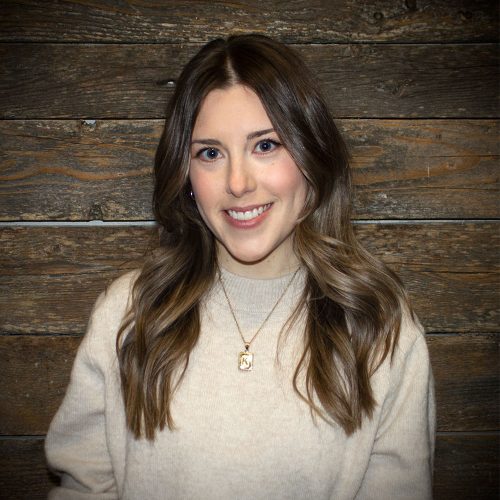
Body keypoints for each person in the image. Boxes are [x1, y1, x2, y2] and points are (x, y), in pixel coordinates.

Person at [45, 34, 435, 500]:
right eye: (210, 153)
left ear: (312, 156)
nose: (237, 183)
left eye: (265, 145)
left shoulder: (381, 327)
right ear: (186, 176)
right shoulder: (127, 313)